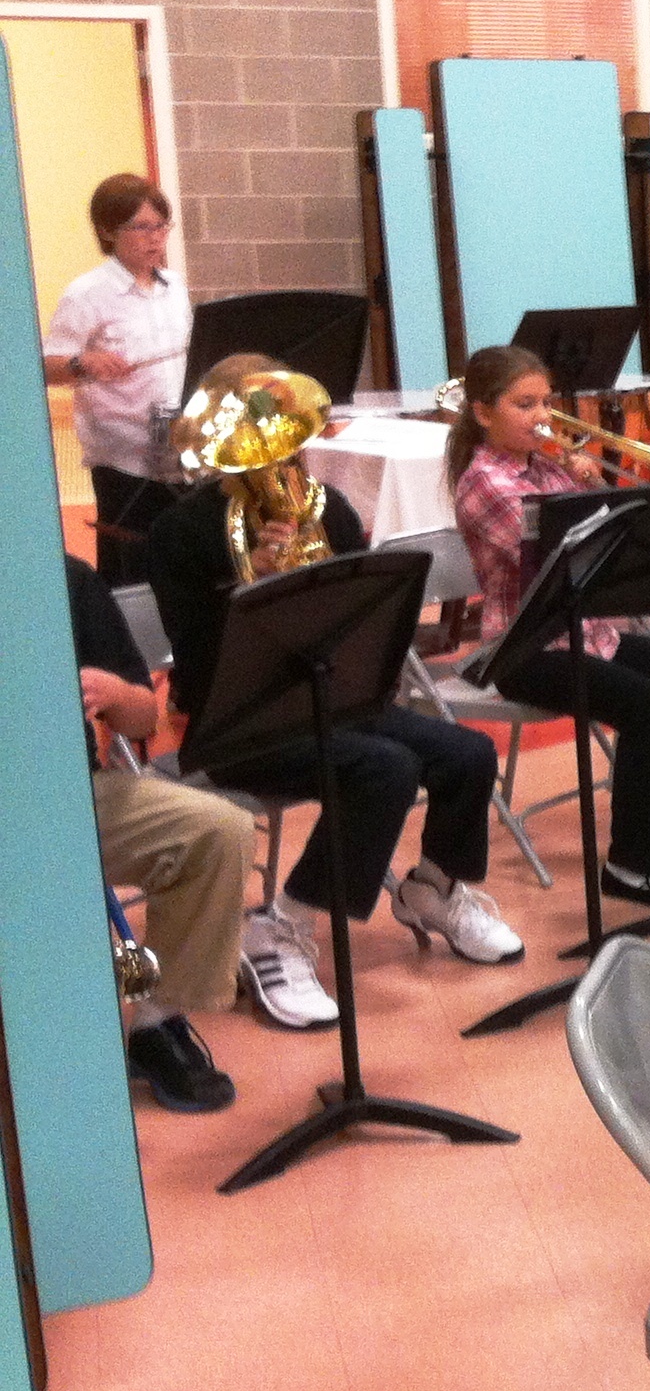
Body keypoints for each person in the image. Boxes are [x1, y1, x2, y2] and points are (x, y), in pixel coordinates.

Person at [147, 358, 523, 1030]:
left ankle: (432, 890)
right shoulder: (180, 533)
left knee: (467, 753)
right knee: (384, 770)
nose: (276, 452)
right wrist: (253, 590)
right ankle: (280, 926)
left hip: (339, 701)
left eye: (283, 430)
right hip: (239, 724)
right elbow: (196, 655)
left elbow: (368, 619)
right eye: (254, 434)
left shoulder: (329, 510)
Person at [447, 344, 650, 897]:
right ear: (483, 413)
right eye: (524, 404)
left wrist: (588, 483)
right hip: (528, 647)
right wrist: (578, 492)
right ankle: (631, 866)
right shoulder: (485, 481)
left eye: (546, 402)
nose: (542, 416)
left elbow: (613, 540)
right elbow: (554, 563)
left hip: (590, 633)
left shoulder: (543, 467)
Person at [66, 551, 254, 1111]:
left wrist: (116, 694)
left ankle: (156, 1022)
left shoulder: (66, 579)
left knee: (219, 830)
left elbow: (146, 718)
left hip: (74, 794)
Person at [43, 175, 191, 584]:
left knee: (180, 563)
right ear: (108, 231)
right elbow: (46, 367)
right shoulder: (86, 294)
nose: (155, 238)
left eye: (161, 226)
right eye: (141, 227)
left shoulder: (175, 287)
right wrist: (83, 362)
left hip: (178, 449)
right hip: (124, 460)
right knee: (132, 570)